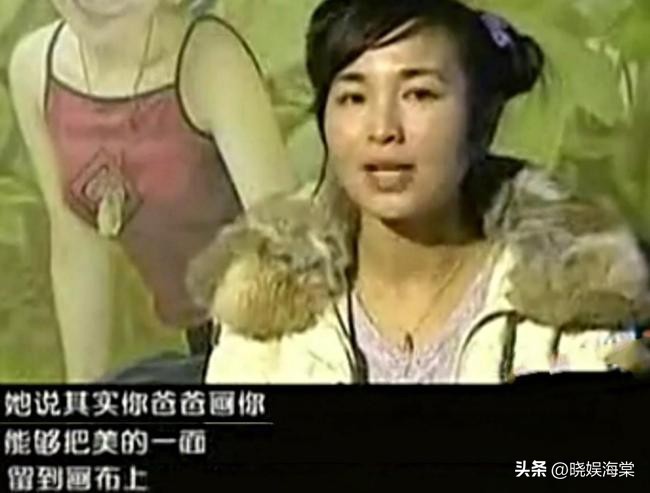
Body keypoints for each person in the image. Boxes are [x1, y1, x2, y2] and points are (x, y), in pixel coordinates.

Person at [190, 0, 650, 384]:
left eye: (419, 94)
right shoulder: (266, 319)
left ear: (480, 119)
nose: (383, 130)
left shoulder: (574, 309)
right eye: (353, 97)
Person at [9, 0, 298, 382]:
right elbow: (75, 246)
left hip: (274, 332)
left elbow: (288, 250)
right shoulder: (32, 69)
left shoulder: (210, 61)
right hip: (201, 336)